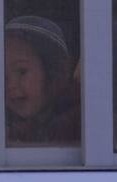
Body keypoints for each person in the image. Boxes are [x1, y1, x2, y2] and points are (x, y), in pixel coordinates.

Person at [5, 16, 79, 145]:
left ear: (52, 71)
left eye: (22, 71)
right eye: (3, 76)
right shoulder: (6, 129)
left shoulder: (78, 126)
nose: (10, 85)